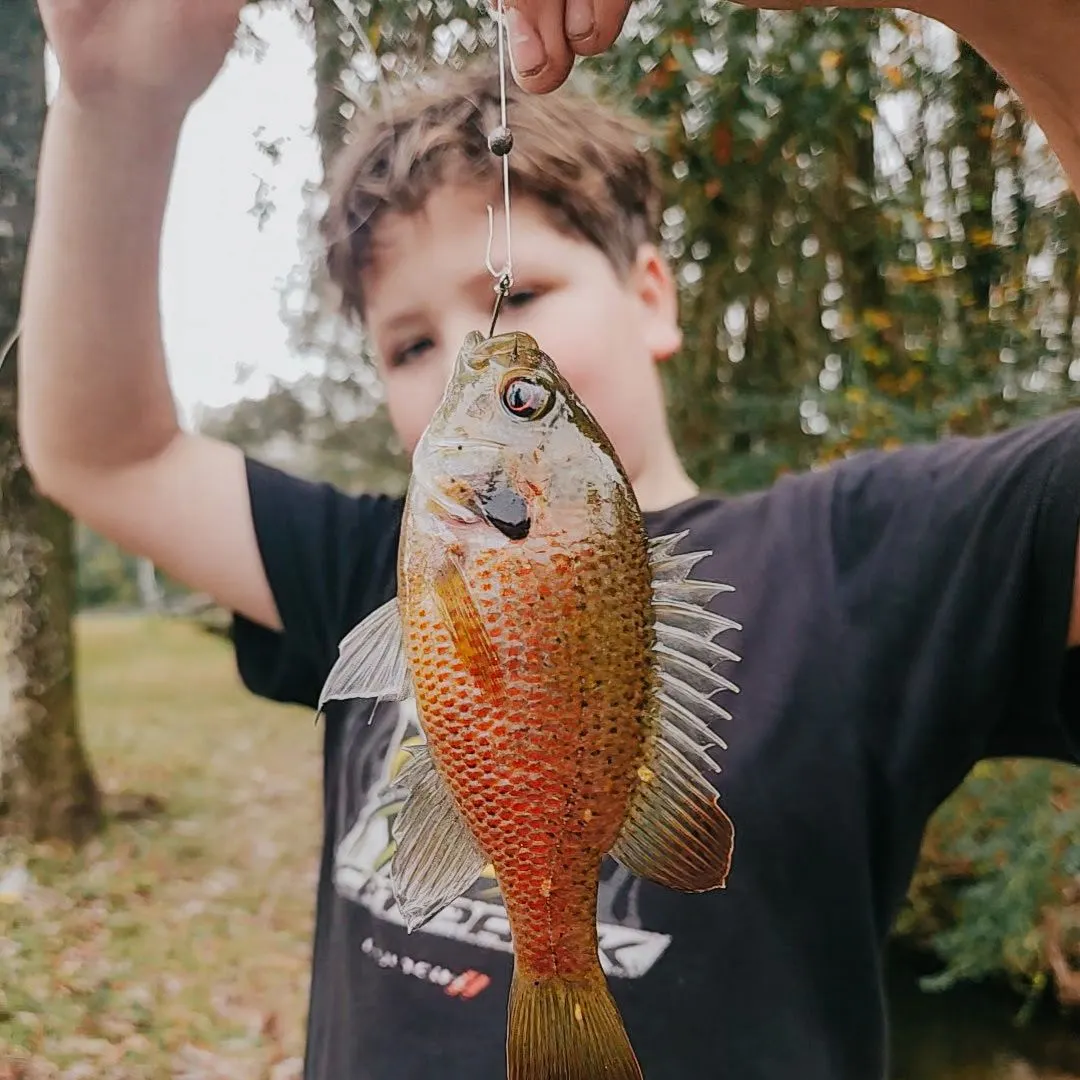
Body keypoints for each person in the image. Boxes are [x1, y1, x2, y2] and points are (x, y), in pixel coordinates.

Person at [17, 0, 1080, 1077]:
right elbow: (105, 456)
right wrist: (114, 104)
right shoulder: (376, 568)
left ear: (652, 293)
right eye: (407, 345)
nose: (463, 363)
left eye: (517, 293)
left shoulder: (864, 561)